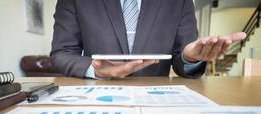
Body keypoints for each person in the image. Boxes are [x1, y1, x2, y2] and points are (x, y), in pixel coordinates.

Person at [51, 0, 246, 79]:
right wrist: (95, 70)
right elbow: (62, 53)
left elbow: (182, 58)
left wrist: (190, 58)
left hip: (158, 104)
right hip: (96, 97)